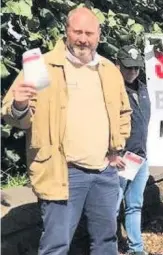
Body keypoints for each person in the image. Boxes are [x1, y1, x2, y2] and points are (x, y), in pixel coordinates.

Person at [1, 7, 132, 255]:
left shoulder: (109, 70)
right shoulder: (42, 66)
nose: (83, 38)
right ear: (66, 31)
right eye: (77, 31)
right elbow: (15, 117)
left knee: (107, 242)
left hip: (104, 172)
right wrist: (19, 105)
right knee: (56, 246)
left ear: (99, 35)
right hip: (63, 172)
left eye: (89, 33)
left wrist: (117, 148)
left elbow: (124, 114)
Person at [115, 45, 150, 255]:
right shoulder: (113, 90)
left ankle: (136, 249)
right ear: (118, 65)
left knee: (135, 205)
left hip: (140, 157)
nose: (132, 72)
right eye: (128, 68)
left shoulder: (143, 88)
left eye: (136, 68)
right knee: (112, 207)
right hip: (121, 157)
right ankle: (108, 246)